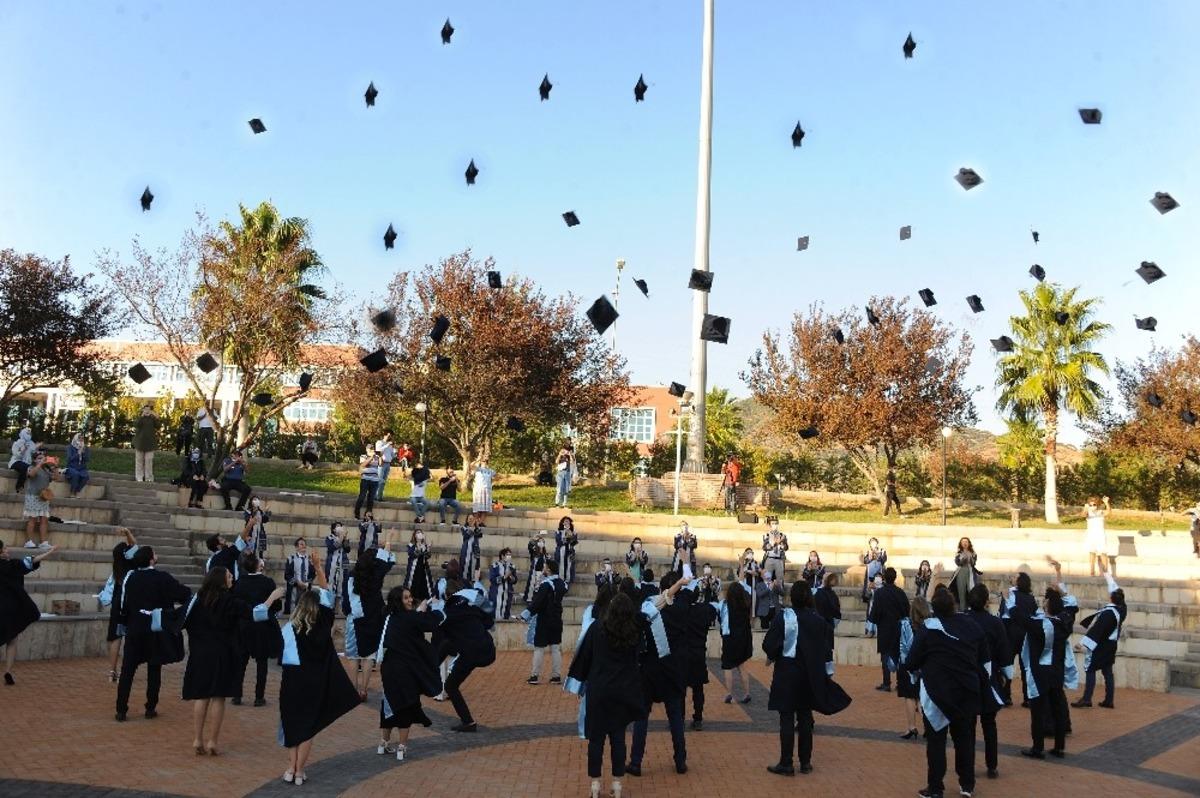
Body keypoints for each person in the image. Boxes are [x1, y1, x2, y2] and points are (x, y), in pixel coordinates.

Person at [183, 565, 284, 754]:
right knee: (218, 696)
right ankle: (212, 741)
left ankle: (197, 739)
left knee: (201, 696)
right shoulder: (230, 601)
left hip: (200, 653)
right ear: (221, 580)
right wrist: (272, 597)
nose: (232, 579)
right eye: (229, 576)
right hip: (222, 653)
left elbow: (181, 618)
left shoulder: (198, 599)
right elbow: (256, 614)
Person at [278, 568, 361, 786]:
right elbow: (327, 594)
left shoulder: (289, 629)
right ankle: (299, 771)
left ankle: (290, 768)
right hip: (315, 683)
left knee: (292, 725)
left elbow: (281, 657)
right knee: (308, 728)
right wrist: (320, 569)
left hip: (292, 682)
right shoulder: (323, 624)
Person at [763, 579, 852, 777]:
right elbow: (827, 650)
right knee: (805, 717)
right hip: (809, 675)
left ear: (792, 597)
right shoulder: (819, 621)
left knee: (787, 718)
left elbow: (769, 644)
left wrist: (774, 654)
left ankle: (786, 763)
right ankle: (805, 762)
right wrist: (827, 674)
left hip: (787, 674)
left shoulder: (784, 617)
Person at [905, 587, 988, 798]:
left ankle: (935, 788)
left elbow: (912, 661)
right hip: (966, 690)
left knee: (936, 742)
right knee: (964, 739)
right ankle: (967, 784)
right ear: (953, 605)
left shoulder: (928, 628)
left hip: (937, 693)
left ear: (934, 608)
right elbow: (983, 655)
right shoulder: (970, 624)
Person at [565, 590, 647, 798]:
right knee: (618, 739)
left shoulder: (597, 628)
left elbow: (584, 657)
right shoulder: (634, 633)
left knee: (596, 739)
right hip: (623, 691)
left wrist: (580, 683)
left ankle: (595, 785)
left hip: (599, 690)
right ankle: (617, 784)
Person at [115, 546, 192, 721]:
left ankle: (121, 709)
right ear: (151, 559)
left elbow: (123, 604)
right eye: (154, 554)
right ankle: (150, 707)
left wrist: (125, 622)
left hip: (135, 628)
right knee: (154, 668)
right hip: (155, 628)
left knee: (128, 670)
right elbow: (184, 594)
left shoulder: (131, 577)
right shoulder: (163, 578)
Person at [627, 573, 691, 776]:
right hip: (672, 669)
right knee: (675, 717)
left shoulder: (649, 608)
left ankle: (636, 762)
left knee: (642, 716)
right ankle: (680, 761)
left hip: (649, 669)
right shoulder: (681, 609)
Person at [1016, 558, 1079, 760]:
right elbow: (1071, 606)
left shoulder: (1038, 624)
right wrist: (1061, 591)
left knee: (1037, 710)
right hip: (1057, 671)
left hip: (1040, 673)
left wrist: (1010, 598)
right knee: (1058, 707)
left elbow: (1018, 616)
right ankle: (1059, 746)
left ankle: (1038, 748)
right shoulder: (1065, 622)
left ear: (1048, 606)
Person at [376, 586, 442, 762]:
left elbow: (411, 624)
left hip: (389, 668)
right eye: (406, 598)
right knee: (406, 705)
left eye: (410, 597)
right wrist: (435, 608)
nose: (410, 600)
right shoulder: (411, 617)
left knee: (389, 704)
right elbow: (432, 622)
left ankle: (383, 743)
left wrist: (418, 613)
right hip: (405, 670)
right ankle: (402, 747)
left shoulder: (389, 617)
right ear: (398, 601)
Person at [436, 580, 497, 732]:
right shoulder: (472, 600)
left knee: (450, 686)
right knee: (448, 645)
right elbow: (489, 614)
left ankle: (468, 722)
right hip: (488, 649)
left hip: (471, 653)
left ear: (447, 596)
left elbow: (440, 632)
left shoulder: (447, 613)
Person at [965, 583, 1010, 779]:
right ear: (986, 601)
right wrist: (1006, 675)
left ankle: (968, 765)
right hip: (989, 678)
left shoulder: (963, 620)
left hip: (967, 678)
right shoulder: (995, 623)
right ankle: (992, 765)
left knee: (968, 726)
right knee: (989, 724)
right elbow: (1004, 652)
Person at [231, 551, 285, 708]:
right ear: (257, 565)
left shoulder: (239, 582)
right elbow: (276, 606)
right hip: (262, 627)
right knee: (262, 662)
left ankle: (237, 695)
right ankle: (259, 697)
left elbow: (236, 606)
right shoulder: (267, 583)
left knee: (241, 661)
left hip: (244, 626)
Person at [347, 538, 397, 701]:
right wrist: (387, 545)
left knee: (353, 655)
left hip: (355, 617)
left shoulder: (352, 575)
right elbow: (389, 561)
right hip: (374, 616)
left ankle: (353, 689)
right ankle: (363, 690)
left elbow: (349, 599)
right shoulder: (377, 574)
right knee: (369, 654)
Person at [1, 539, 58, 685]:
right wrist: (49, 552)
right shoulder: (13, 565)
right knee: (12, 639)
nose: (8, 550)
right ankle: (8, 671)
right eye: (5, 548)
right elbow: (32, 561)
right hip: (11, 608)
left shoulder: (12, 564)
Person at [1073, 572, 1126, 709]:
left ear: (1111, 597)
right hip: (1111, 645)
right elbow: (1115, 589)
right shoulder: (1122, 610)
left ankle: (1087, 699)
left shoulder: (1108, 614)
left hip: (1102, 645)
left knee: (1090, 669)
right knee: (1107, 671)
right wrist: (1107, 574)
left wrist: (1082, 644)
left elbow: (1097, 630)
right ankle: (1109, 700)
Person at [680, 583, 718, 730]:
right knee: (698, 688)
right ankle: (698, 718)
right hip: (699, 652)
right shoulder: (705, 609)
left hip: (684, 653)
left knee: (681, 689)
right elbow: (713, 612)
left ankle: (679, 718)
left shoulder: (682, 610)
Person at [868, 567, 911, 692]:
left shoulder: (880, 593)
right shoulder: (900, 593)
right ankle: (900, 682)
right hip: (898, 627)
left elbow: (875, 612)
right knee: (899, 654)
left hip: (884, 628)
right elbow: (907, 610)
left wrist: (874, 621)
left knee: (885, 655)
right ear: (895, 578)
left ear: (885, 578)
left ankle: (886, 683)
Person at [999, 572, 1039, 707]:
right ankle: (1028, 697)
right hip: (1026, 635)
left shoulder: (1009, 594)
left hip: (1010, 634)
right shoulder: (1030, 597)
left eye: (1015, 577)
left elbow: (1005, 616)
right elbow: (1033, 614)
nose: (1012, 578)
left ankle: (1006, 696)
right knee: (1026, 667)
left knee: (1007, 665)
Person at [526, 559, 567, 684]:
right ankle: (556, 676)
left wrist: (526, 614)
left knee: (539, 648)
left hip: (544, 619)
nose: (543, 568)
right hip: (556, 618)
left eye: (545, 567)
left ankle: (535, 676)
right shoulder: (561, 583)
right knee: (555, 648)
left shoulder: (546, 584)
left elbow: (537, 602)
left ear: (548, 569)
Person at [897, 595, 931, 740]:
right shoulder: (930, 625)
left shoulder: (905, 624)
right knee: (923, 697)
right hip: (925, 665)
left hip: (908, 664)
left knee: (909, 696)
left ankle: (912, 727)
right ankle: (928, 727)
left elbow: (901, 645)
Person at [714, 580, 754, 704]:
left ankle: (729, 693)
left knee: (727, 666)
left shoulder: (724, 605)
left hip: (729, 639)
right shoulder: (745, 606)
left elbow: (719, 618)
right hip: (742, 640)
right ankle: (747, 693)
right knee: (741, 666)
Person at [23, 451, 61, 549]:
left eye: (43, 458)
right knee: (32, 519)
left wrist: (56, 466)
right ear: (34, 460)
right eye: (39, 458)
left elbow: (57, 478)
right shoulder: (31, 467)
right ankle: (29, 541)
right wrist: (40, 464)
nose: (42, 460)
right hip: (32, 497)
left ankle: (43, 542)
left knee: (44, 520)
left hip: (43, 498)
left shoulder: (47, 470)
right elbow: (31, 474)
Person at [947, 537, 980, 611]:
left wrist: (970, 558)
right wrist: (962, 558)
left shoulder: (973, 553)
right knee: (961, 591)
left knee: (971, 590)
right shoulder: (958, 553)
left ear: (969, 543)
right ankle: (962, 609)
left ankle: (971, 608)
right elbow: (958, 563)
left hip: (970, 572)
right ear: (961, 544)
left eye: (966, 542)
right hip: (961, 572)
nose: (965, 543)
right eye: (963, 542)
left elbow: (973, 563)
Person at [1083, 496, 1112, 576]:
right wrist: (1086, 508)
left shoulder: (1101, 512)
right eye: (1091, 505)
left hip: (1100, 535)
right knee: (1092, 552)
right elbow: (1083, 515)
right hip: (1091, 535)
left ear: (1097, 505)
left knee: (1103, 553)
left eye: (1094, 505)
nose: (1092, 506)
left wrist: (1106, 503)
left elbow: (1108, 512)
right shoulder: (1088, 512)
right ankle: (1092, 571)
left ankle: (1105, 572)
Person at [284, 538, 313, 615]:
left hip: (306, 588)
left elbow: (313, 574)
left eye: (305, 544)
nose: (304, 546)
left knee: (305, 611)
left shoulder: (309, 559)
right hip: (294, 589)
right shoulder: (291, 559)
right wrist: (297, 582)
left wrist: (307, 583)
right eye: (301, 544)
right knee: (293, 611)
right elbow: (287, 575)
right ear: (296, 547)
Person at [488, 549, 519, 620]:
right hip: (496, 592)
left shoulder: (512, 566)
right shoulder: (494, 566)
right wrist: (504, 577)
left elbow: (515, 581)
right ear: (502, 556)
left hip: (507, 592)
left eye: (510, 555)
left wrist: (511, 577)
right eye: (507, 555)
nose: (509, 556)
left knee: (506, 610)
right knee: (495, 610)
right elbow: (492, 580)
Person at [405, 530, 434, 602]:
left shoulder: (424, 545)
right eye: (418, 533)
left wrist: (428, 548)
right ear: (414, 535)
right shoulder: (411, 545)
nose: (420, 534)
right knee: (412, 584)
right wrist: (418, 545)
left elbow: (428, 556)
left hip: (423, 568)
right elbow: (413, 554)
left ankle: (423, 600)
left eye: (421, 533)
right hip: (414, 568)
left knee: (423, 584)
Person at [133, 404, 159, 482]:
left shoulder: (152, 418)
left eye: (149, 409)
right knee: (139, 461)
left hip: (150, 444)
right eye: (146, 409)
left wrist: (156, 417)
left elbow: (158, 426)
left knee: (149, 461)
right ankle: (139, 477)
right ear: (143, 410)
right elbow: (136, 424)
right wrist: (142, 416)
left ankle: (149, 478)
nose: (147, 411)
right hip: (140, 443)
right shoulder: (140, 417)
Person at [354, 450, 381, 520]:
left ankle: (368, 515)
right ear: (367, 450)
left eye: (372, 449)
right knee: (362, 496)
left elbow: (381, 464)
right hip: (365, 479)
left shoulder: (377, 457)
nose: (372, 450)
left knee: (371, 498)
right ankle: (357, 513)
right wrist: (371, 457)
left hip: (375, 480)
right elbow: (363, 465)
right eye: (370, 449)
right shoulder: (363, 456)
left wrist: (380, 456)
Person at [524, 530, 550, 603]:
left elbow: (544, 554)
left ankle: (539, 599)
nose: (541, 542)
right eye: (539, 541)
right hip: (535, 564)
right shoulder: (533, 545)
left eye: (542, 541)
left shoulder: (544, 548)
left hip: (542, 565)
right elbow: (531, 548)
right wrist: (535, 540)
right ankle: (529, 598)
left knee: (541, 581)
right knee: (532, 580)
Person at [554, 516, 578, 592]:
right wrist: (565, 536)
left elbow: (574, 543)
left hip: (569, 551)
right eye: (565, 521)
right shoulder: (558, 532)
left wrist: (571, 536)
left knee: (569, 567)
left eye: (568, 521)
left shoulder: (573, 532)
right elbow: (558, 542)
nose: (566, 523)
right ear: (562, 523)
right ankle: (560, 584)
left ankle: (567, 584)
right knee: (560, 567)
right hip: (561, 551)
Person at [8, 427, 36, 493]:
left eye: (30, 434)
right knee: (25, 467)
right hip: (15, 461)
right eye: (27, 433)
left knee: (28, 467)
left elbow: (34, 453)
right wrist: (23, 449)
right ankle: (19, 486)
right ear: (23, 434)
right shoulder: (17, 443)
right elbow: (16, 455)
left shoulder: (31, 444)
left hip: (26, 463)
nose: (29, 435)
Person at [761, 518, 789, 582]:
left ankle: (779, 588)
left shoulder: (782, 535)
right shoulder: (766, 535)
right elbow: (764, 547)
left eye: (776, 523)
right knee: (767, 578)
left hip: (779, 559)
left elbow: (786, 548)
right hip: (769, 558)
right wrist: (773, 543)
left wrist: (782, 545)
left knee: (780, 579)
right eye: (773, 524)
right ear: (770, 525)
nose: (774, 525)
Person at [860, 537, 887, 601]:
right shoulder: (868, 552)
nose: (873, 545)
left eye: (874, 543)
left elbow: (884, 560)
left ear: (877, 544)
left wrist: (878, 556)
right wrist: (870, 557)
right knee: (870, 588)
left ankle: (879, 599)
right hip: (870, 573)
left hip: (878, 573)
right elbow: (865, 561)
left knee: (878, 586)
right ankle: (869, 598)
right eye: (871, 543)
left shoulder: (881, 551)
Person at [470, 457, 496, 525]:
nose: (485, 462)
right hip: (478, 490)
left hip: (487, 491)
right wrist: (478, 459)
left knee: (485, 508)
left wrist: (492, 483)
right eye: (483, 461)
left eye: (486, 461)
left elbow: (496, 477)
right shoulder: (478, 469)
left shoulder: (490, 471)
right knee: (477, 507)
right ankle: (476, 522)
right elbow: (471, 465)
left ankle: (481, 522)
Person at [64, 432, 91, 498]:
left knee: (86, 476)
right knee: (76, 474)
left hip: (82, 468)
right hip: (71, 467)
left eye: (82, 438)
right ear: (76, 438)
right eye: (79, 438)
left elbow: (87, 459)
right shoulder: (70, 447)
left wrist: (83, 453)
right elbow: (69, 459)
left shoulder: (85, 448)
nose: (81, 440)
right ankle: (72, 492)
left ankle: (77, 491)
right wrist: (78, 454)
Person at [554, 441, 578, 507]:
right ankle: (557, 503)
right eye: (564, 449)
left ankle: (564, 503)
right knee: (559, 488)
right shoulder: (561, 455)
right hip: (560, 473)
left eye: (567, 449)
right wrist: (560, 454)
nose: (565, 451)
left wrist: (570, 455)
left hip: (567, 472)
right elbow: (556, 461)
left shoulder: (570, 455)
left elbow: (573, 462)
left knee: (566, 489)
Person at [459, 513, 484, 578]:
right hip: (466, 550)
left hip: (475, 550)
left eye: (472, 519)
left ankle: (473, 579)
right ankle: (464, 579)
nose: (471, 520)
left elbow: (480, 535)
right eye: (470, 519)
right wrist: (472, 527)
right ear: (467, 520)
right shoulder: (464, 528)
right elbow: (466, 535)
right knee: (465, 565)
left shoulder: (477, 528)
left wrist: (477, 526)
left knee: (475, 566)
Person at [374, 433, 396, 501]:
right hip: (381, 463)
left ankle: (379, 497)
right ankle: (375, 496)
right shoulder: (379, 442)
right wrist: (387, 445)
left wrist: (395, 453)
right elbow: (378, 451)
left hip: (388, 464)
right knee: (379, 480)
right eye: (388, 435)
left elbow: (392, 455)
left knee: (383, 482)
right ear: (384, 435)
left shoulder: (390, 445)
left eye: (390, 436)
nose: (389, 437)